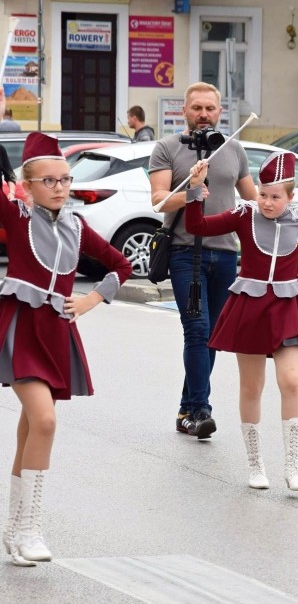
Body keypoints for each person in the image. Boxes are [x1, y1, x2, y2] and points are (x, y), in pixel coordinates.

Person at [0, 133, 132, 566]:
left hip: (56, 332)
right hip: (22, 327)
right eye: (49, 180)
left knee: (31, 428)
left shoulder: (77, 226)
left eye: (65, 179)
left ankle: (15, 530)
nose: (59, 187)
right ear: (28, 185)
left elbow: (122, 265)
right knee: (44, 420)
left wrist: (93, 299)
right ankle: (31, 528)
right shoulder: (17, 215)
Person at [185, 151, 298, 491]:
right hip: (250, 306)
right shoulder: (245, 214)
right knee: (252, 387)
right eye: (263, 194)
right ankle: (255, 465)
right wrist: (196, 192)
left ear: (291, 196)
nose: (267, 203)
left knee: (292, 381)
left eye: (275, 197)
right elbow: (197, 227)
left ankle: (293, 465)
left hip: (287, 305)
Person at [148, 82, 257, 440]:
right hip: (184, 252)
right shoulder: (167, 148)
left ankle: (186, 409)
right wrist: (193, 191)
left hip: (225, 253)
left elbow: (252, 202)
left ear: (220, 111)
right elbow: (160, 201)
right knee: (196, 331)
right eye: (197, 108)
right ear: (184, 110)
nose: (204, 114)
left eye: (210, 108)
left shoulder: (233, 148)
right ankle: (201, 411)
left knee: (210, 336)